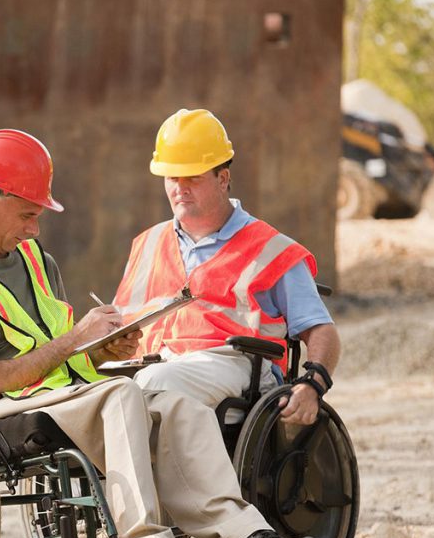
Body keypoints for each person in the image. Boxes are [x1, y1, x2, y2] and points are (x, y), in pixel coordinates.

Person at [0, 129, 320, 538]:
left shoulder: (35, 260)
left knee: (175, 403)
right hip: (4, 414)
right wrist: (76, 339)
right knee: (124, 394)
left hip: (63, 393)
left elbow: (57, 349)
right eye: (28, 214)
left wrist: (103, 348)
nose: (35, 229)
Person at [113, 108, 341, 426]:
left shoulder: (271, 249)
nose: (180, 187)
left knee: (152, 386)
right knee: (109, 394)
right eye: (172, 177)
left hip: (239, 369)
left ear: (223, 178)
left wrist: (312, 386)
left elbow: (321, 329)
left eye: (192, 176)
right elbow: (119, 323)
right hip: (160, 365)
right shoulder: (148, 243)